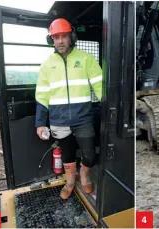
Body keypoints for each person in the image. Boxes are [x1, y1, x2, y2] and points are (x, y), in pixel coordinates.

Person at [35, 18, 103, 199]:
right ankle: (70, 181)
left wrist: (111, 110)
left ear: (71, 37)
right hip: (59, 120)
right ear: (52, 40)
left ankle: (85, 174)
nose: (60, 41)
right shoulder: (47, 65)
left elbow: (100, 87)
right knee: (67, 155)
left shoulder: (86, 59)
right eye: (56, 37)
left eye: (64, 36)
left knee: (89, 154)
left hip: (83, 119)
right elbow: (42, 95)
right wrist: (40, 123)